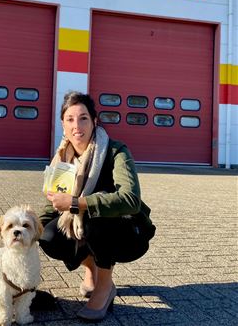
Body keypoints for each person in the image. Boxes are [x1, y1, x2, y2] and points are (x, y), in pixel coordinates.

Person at [38, 91, 156, 321]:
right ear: (63, 125)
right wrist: (35, 230)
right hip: (88, 228)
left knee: (92, 217)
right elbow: (54, 205)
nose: (77, 125)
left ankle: (105, 287)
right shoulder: (63, 158)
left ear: (94, 121)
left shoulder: (115, 151)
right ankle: (92, 270)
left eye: (83, 118)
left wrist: (76, 203)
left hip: (127, 232)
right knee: (50, 237)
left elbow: (130, 199)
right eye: (70, 119)